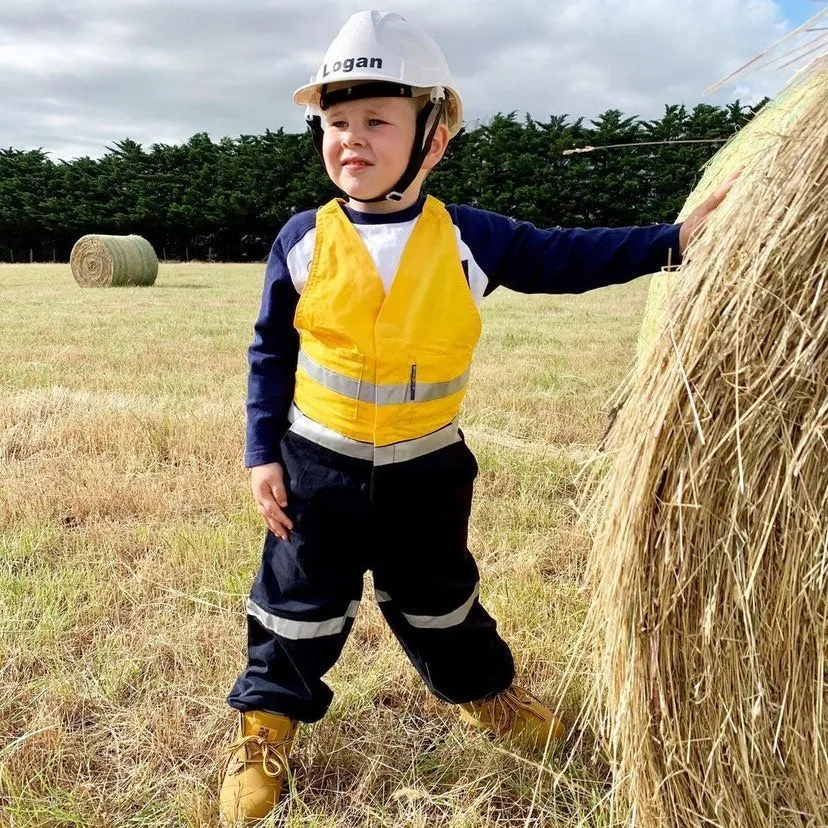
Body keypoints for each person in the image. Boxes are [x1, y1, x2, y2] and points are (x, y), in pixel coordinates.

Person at [218, 10, 735, 823]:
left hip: (428, 469)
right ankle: (266, 725)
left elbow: (567, 255)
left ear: (435, 133)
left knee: (441, 599)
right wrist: (261, 453)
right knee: (295, 604)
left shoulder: (470, 237)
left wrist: (671, 242)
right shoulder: (300, 241)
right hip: (316, 466)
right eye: (336, 122)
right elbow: (269, 356)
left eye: (377, 121)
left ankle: (485, 694)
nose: (351, 139)